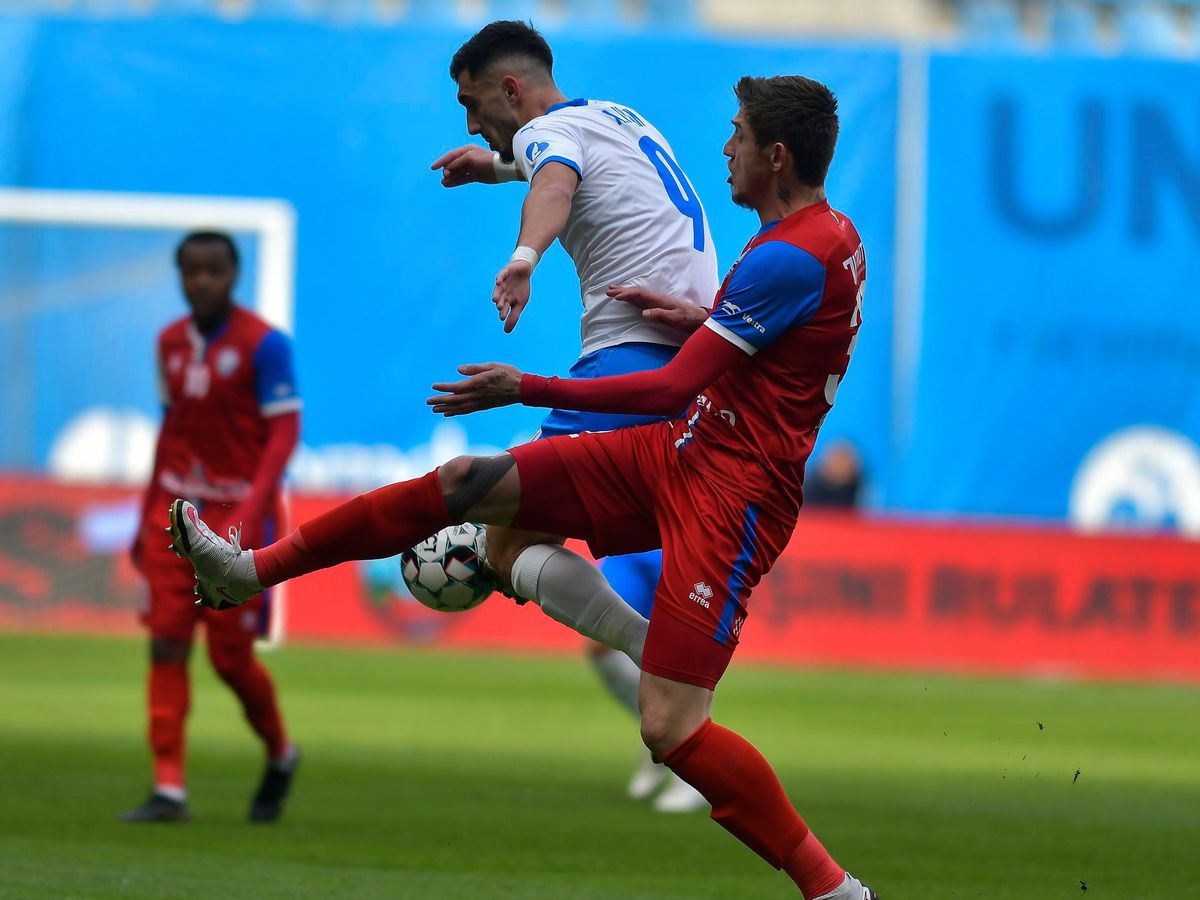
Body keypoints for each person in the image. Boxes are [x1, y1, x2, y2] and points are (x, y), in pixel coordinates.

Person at [170, 75, 876, 898]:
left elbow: (669, 389)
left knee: (671, 727)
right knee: (469, 483)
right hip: (681, 452)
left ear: (776, 155)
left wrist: (528, 385)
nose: (728, 149)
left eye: (740, 135)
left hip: (734, 494)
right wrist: (701, 321)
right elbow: (783, 343)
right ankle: (249, 571)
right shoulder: (818, 237)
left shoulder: (789, 254)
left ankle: (834, 890)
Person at [429, 20, 718, 812]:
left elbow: (555, 178)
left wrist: (523, 258)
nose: (468, 121)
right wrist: (493, 169)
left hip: (630, 360)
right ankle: (671, 701)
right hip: (694, 365)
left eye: (472, 102)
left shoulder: (553, 135)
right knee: (550, 548)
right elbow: (564, 165)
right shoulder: (615, 116)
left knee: (506, 540)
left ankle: (657, 660)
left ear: (511, 90)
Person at [124, 230, 301, 823]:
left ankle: (280, 752)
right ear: (179, 276)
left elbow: (283, 434)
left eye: (214, 271)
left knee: (230, 661)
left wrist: (254, 508)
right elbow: (170, 432)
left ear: (233, 274)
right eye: (191, 271)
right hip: (171, 516)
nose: (202, 281)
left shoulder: (266, 345)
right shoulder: (169, 343)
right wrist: (143, 514)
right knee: (166, 643)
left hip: (235, 521)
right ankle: (168, 788)